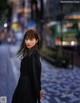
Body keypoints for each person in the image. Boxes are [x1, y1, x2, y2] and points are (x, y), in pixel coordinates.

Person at [11, 29, 44, 103]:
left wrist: (38, 90)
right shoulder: (31, 53)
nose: (28, 42)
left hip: (27, 88)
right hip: (24, 85)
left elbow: (35, 75)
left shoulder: (32, 55)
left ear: (36, 40)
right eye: (26, 39)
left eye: (31, 39)